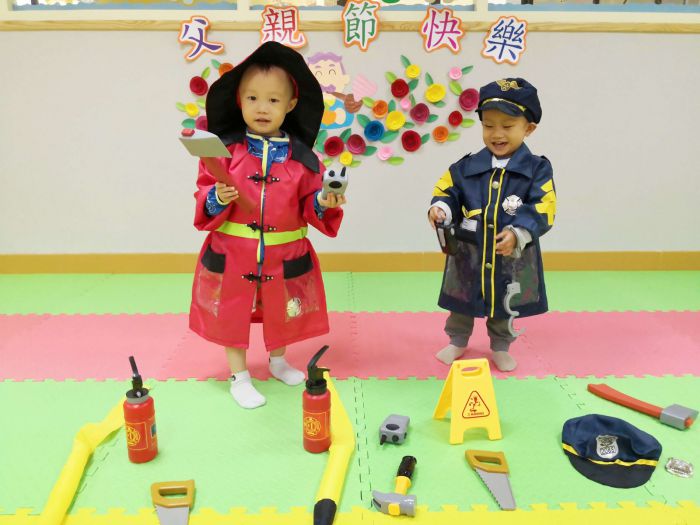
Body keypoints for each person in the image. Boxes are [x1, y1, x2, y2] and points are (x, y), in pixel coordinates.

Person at [189, 42, 346, 409]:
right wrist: (217, 197)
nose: (262, 107)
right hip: (233, 251)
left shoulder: (303, 159)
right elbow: (204, 192)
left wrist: (323, 202)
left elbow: (310, 201)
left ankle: (278, 361)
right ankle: (239, 376)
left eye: (273, 100)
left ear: (290, 105)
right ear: (239, 101)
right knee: (232, 312)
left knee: (283, 307)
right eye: (253, 98)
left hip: (284, 252)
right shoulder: (223, 153)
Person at [428, 78, 556, 372]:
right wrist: (441, 208)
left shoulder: (537, 169)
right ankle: (457, 340)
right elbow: (447, 190)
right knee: (461, 299)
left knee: (505, 301)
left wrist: (518, 232)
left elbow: (544, 206)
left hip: (510, 256)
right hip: (469, 252)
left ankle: (501, 345)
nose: (497, 134)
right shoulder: (467, 166)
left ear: (529, 128)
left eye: (507, 126)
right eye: (488, 125)